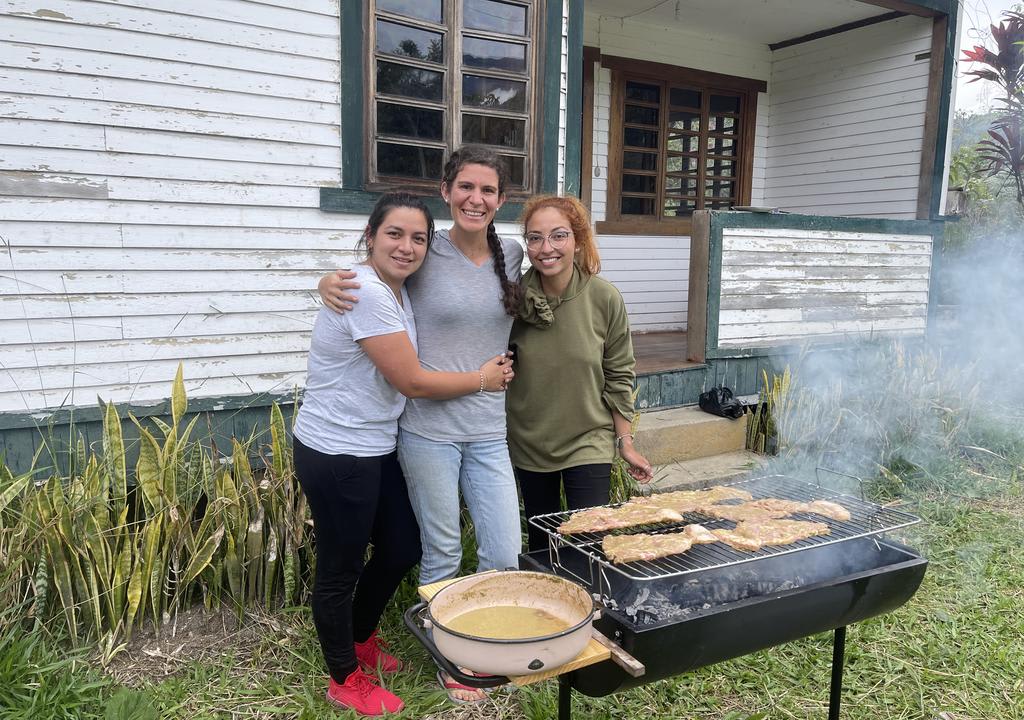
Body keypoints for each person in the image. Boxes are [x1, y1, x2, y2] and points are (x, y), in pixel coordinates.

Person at [317, 146, 525, 703]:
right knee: (442, 552)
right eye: (465, 187)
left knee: (504, 549)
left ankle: (488, 638)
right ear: (446, 191)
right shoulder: (424, 253)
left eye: (487, 190)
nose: (475, 199)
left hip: (488, 427)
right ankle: (454, 659)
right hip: (426, 429)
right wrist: (325, 282)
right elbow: (369, 279)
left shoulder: (513, 252)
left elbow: (561, 283)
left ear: (501, 200)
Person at [506, 195, 654, 552]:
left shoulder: (604, 298)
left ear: (578, 240)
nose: (546, 248)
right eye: (535, 238)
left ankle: (592, 607)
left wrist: (626, 443)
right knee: (543, 545)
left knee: (589, 541)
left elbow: (619, 375)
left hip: (588, 439)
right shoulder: (512, 300)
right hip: (530, 441)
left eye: (558, 236)